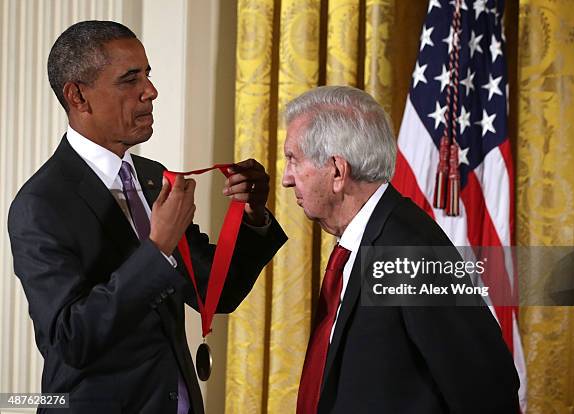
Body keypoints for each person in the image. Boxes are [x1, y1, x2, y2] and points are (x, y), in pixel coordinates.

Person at [7, 20, 286, 414]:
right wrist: (157, 249)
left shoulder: (152, 177)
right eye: (130, 79)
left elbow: (215, 292)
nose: (150, 92)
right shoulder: (40, 204)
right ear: (78, 96)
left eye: (148, 75)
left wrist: (253, 217)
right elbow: (71, 340)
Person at [282, 85, 519, 413]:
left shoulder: (409, 250)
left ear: (337, 170)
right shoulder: (363, 243)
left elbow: (488, 391)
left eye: (294, 160)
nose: (286, 178)